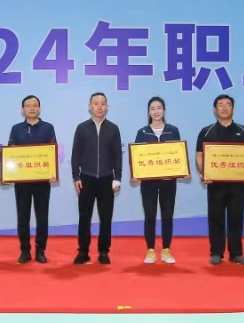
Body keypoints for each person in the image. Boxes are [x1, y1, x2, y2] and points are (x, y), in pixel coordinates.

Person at [196, 94, 244, 265]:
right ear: (215, 110)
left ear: (233, 109)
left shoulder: (243, 131)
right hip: (215, 184)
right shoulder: (206, 131)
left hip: (237, 185)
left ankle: (236, 253)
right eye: (220, 105)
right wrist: (204, 173)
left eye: (228, 104)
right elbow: (199, 155)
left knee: (236, 217)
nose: (224, 108)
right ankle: (216, 252)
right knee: (216, 218)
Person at [71, 92, 122, 265]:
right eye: (96, 103)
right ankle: (83, 251)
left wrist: (117, 178)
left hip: (107, 179)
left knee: (106, 217)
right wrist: (76, 176)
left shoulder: (113, 129)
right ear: (89, 106)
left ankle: (103, 251)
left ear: (107, 106)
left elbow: (118, 156)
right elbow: (75, 155)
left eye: (103, 103)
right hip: (86, 178)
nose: (99, 107)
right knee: (84, 217)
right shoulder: (82, 128)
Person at [7, 95, 56, 264]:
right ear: (22, 110)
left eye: (35, 105)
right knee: (23, 217)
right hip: (22, 181)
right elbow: (10, 154)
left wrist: (52, 172)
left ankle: (41, 250)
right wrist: (8, 174)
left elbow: (52, 152)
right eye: (28, 106)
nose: (32, 108)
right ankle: (25, 250)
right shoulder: (16, 129)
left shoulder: (48, 128)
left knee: (42, 217)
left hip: (42, 181)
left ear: (39, 108)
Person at [133, 96, 181, 265]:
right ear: (148, 112)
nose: (156, 111)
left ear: (164, 110)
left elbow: (178, 154)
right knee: (150, 215)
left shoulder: (173, 131)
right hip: (149, 183)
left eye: (159, 108)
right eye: (152, 108)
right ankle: (151, 249)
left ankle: (166, 249)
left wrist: (182, 170)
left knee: (168, 215)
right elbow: (137, 157)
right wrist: (136, 173)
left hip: (168, 181)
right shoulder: (142, 132)